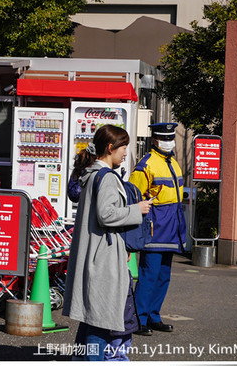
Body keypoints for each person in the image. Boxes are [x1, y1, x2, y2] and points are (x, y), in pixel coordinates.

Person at [62, 125, 152, 361]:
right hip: (103, 258)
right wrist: (137, 209)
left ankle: (80, 360)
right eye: (123, 147)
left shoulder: (91, 174)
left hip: (91, 254)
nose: (125, 152)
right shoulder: (108, 177)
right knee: (101, 321)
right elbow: (107, 214)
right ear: (110, 148)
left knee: (92, 317)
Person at [129, 122, 187, 336]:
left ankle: (154, 315)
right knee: (149, 274)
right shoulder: (147, 164)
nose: (169, 141)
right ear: (154, 140)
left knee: (164, 274)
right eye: (165, 138)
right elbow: (133, 196)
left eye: (171, 138)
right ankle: (139, 318)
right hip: (154, 226)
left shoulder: (172, 161)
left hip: (172, 225)